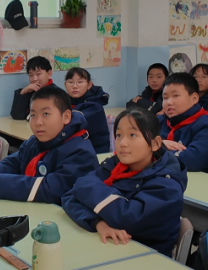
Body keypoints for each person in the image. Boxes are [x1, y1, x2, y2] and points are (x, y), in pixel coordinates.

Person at [63, 109, 186, 256]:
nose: (122, 143)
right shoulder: (114, 166)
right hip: (111, 249)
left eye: (132, 135)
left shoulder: (167, 186)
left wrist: (85, 187)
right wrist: (98, 222)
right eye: (119, 135)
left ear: (155, 143)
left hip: (145, 260)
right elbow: (69, 196)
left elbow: (126, 217)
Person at [0, 85, 96, 205]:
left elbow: (50, 190)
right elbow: (15, 162)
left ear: (66, 116)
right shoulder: (34, 142)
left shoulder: (80, 152)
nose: (38, 122)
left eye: (45, 114)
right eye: (33, 115)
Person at [158, 72, 208, 174]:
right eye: (165, 98)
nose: (169, 102)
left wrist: (156, 148)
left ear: (194, 98)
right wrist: (159, 145)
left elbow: (191, 161)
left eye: (175, 95)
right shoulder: (160, 121)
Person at [64, 67, 111, 154]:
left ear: (89, 85)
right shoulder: (63, 103)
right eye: (70, 82)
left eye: (80, 82)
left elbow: (72, 125)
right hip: (76, 149)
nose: (75, 86)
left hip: (95, 152)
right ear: (65, 85)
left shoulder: (95, 107)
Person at [10, 55, 53, 120]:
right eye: (31, 75)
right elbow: (17, 115)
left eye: (38, 74)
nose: (34, 79)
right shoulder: (31, 91)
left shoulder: (56, 93)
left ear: (49, 74)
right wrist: (23, 92)